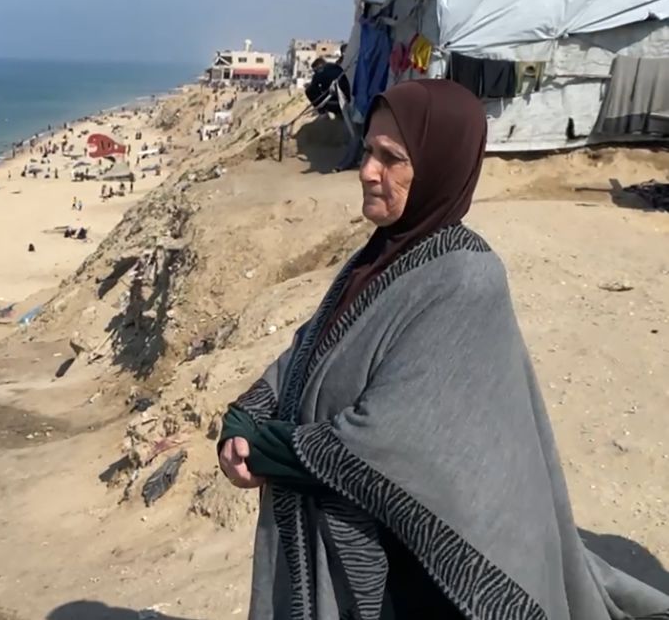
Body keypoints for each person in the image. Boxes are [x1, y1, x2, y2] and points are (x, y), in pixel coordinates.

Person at [217, 79, 669, 619]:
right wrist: (243, 420)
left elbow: (395, 440)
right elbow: (308, 353)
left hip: (422, 572)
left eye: (392, 158)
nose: (367, 170)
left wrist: (269, 450)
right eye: (368, 151)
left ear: (439, 165)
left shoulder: (465, 279)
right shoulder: (378, 256)